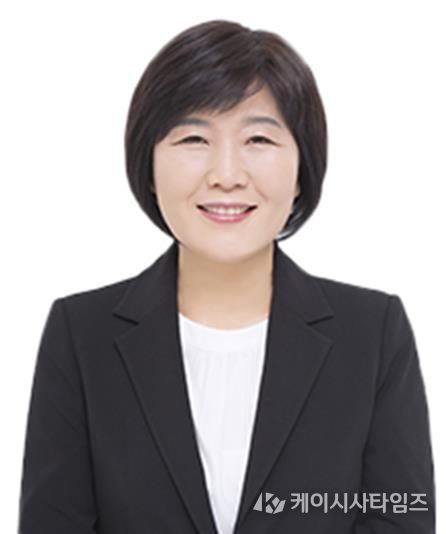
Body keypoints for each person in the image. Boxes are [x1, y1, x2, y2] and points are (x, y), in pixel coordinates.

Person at [18, 19, 436, 534]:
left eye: (258, 139)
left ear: (301, 170)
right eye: (194, 138)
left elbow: (400, 518)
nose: (227, 174)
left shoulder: (372, 334)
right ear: (149, 166)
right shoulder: (81, 336)